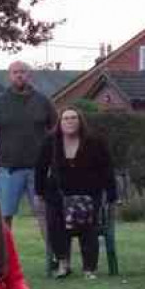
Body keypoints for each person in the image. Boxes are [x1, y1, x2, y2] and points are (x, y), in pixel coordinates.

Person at [34, 106, 116, 280]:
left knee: (88, 226)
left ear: (80, 121)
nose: (69, 121)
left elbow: (107, 168)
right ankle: (63, 263)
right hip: (58, 194)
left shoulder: (94, 141)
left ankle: (89, 268)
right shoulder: (51, 141)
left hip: (88, 194)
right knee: (55, 222)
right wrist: (39, 192)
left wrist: (111, 194)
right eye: (66, 118)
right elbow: (41, 168)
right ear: (60, 122)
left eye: (73, 118)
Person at [0, 61, 54, 248]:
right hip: (8, 170)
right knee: (4, 217)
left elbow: (55, 131)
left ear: (29, 75)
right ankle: (3, 260)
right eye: (15, 72)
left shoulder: (43, 101)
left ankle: (55, 259)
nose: (19, 75)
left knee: (44, 214)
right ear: (9, 76)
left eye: (23, 72)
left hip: (38, 170)